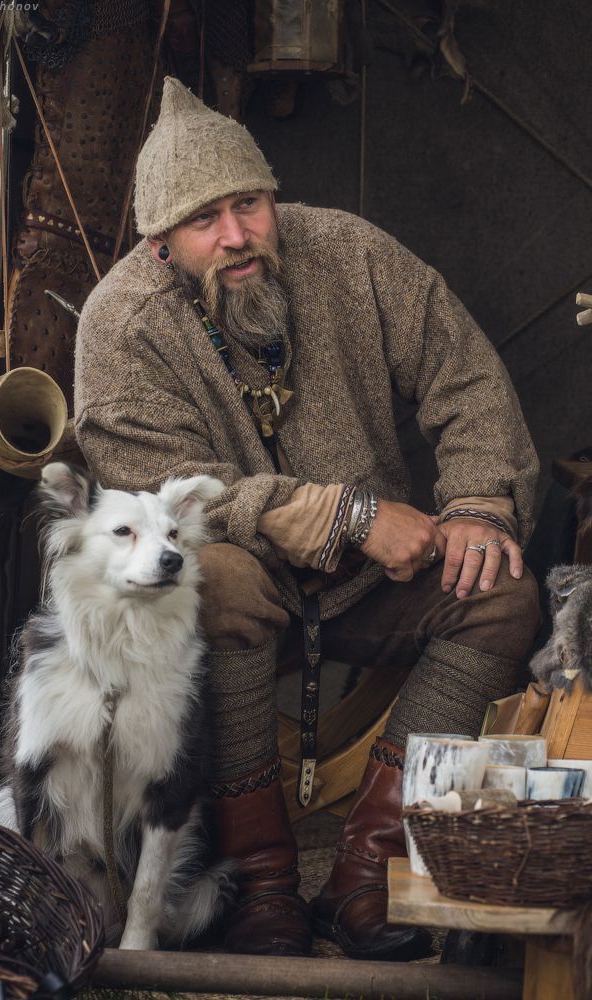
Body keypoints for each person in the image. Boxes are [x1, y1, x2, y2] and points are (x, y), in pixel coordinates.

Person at [74, 77, 541, 960]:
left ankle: (370, 868)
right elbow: (154, 491)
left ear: (272, 198)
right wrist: (340, 513)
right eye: (204, 220)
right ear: (160, 243)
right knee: (218, 575)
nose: (237, 237)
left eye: (248, 205)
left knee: (500, 589)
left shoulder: (350, 254)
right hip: (231, 600)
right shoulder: (120, 323)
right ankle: (262, 882)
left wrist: (478, 505)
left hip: (374, 582)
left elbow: (465, 376)